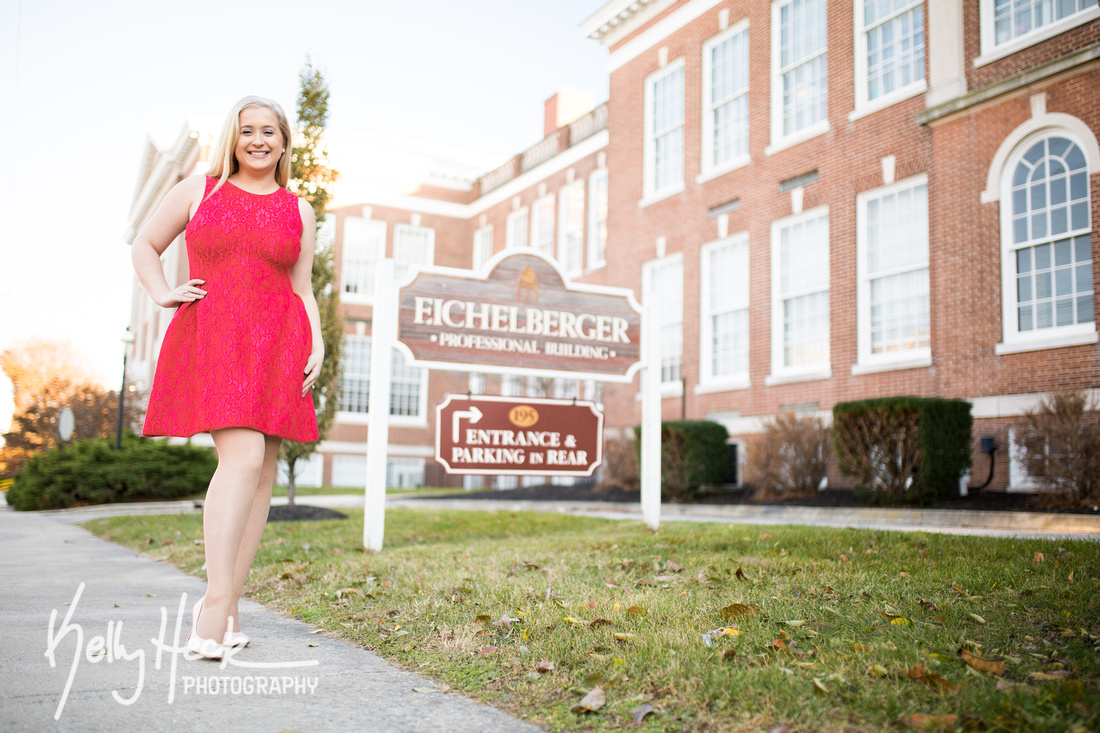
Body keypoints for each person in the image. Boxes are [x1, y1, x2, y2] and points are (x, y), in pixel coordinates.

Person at [131, 95, 322, 660]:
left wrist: (318, 344)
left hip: (278, 345)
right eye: (247, 131)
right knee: (241, 459)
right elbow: (144, 244)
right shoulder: (200, 189)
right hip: (215, 337)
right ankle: (213, 608)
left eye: (269, 131)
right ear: (232, 139)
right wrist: (163, 291)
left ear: (284, 141)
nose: (258, 140)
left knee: (261, 474)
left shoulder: (299, 209)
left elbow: (303, 287)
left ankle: (233, 608)